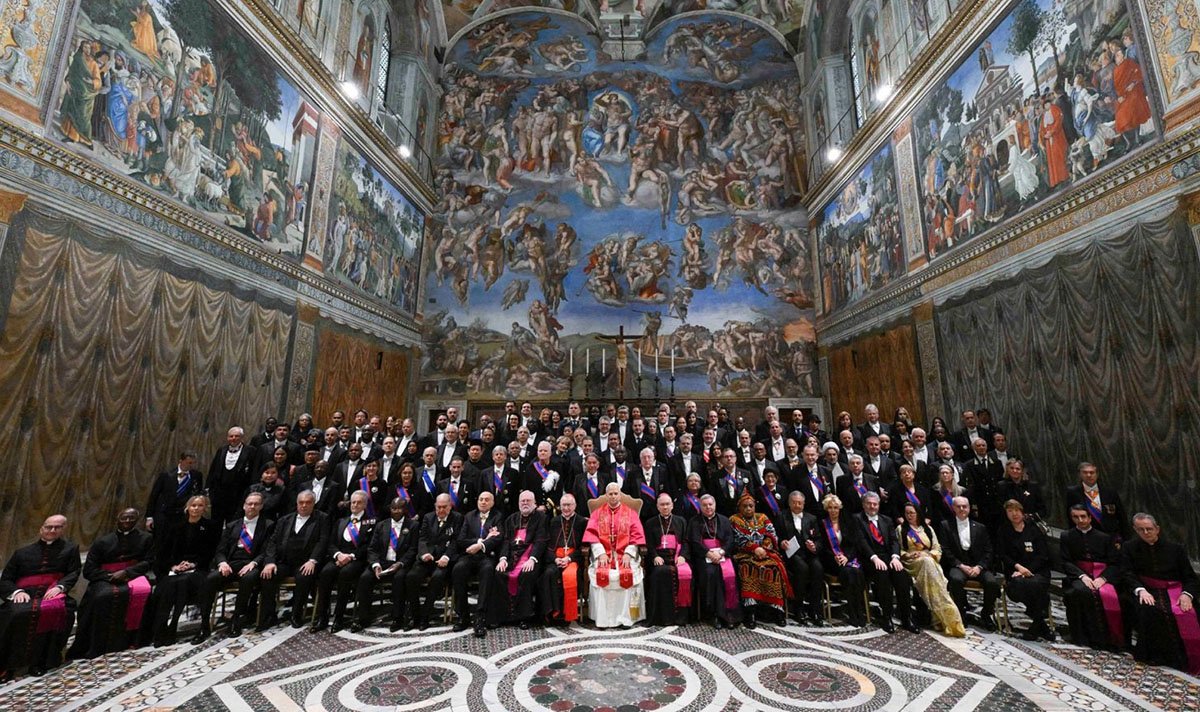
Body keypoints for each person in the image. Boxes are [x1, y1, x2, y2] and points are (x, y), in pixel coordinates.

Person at [67, 508, 154, 659]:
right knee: (101, 597)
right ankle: (97, 644)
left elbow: (149, 561)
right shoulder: (102, 542)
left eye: (131, 518)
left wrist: (127, 572)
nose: (127, 521)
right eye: (124, 518)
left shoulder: (146, 538)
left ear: (137, 520)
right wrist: (110, 576)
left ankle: (134, 640)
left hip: (134, 576)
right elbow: (89, 570)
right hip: (105, 578)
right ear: (117, 519)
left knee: (144, 592)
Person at [0, 515, 81, 676]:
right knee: (15, 613)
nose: (52, 530)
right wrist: (17, 592)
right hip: (25, 594)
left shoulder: (70, 550)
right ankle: (7, 664)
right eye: (49, 527)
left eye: (57, 527)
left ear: (63, 529)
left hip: (52, 593)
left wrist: (60, 586)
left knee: (58, 612)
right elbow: (6, 579)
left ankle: (40, 661)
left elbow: (73, 572)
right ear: (41, 529)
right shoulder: (22, 553)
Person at [1121, 513, 1199, 674]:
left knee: (1189, 611)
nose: (1145, 532)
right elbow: (1127, 573)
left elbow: (1190, 577)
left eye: (1149, 529)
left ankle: (1189, 658)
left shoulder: (1176, 549)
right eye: (1141, 529)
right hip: (1146, 590)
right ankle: (1158, 657)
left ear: (1157, 529)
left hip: (1175, 590)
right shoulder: (1129, 547)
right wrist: (1140, 590)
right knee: (1150, 610)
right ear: (1135, 530)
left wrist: (1187, 594)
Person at [194, 493, 273, 642]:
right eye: (249, 503)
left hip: (251, 563)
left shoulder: (268, 525)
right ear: (244, 506)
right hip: (231, 562)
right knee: (210, 579)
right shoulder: (232, 525)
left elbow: (267, 550)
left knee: (248, 578)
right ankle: (204, 625)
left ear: (261, 506)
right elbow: (220, 550)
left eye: (256, 504)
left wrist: (254, 563)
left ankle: (236, 619)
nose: (252, 506)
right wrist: (222, 562)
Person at [149, 495, 220, 646]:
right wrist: (173, 566)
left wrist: (193, 564)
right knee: (165, 586)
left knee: (183, 582)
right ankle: (161, 628)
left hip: (199, 568)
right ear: (187, 507)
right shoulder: (175, 527)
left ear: (204, 508)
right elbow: (164, 552)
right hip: (176, 568)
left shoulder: (210, 527)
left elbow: (211, 552)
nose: (196, 508)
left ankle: (175, 624)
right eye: (193, 505)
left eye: (200, 505)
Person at [260, 490, 330, 630]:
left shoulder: (322, 518)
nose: (304, 505)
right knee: (267, 576)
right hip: (284, 562)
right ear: (297, 503)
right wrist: (270, 562)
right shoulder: (284, 520)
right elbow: (272, 542)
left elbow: (322, 541)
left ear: (314, 503)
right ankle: (269, 615)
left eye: (308, 502)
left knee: (304, 577)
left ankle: (296, 614)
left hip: (306, 562)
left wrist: (313, 560)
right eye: (301, 502)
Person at [1060, 504, 1125, 650]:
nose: (1080, 520)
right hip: (1079, 575)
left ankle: (1109, 638)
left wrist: (1103, 578)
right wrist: (1082, 576)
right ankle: (1084, 637)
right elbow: (1065, 561)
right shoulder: (1067, 536)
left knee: (1112, 596)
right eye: (1076, 517)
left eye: (1083, 516)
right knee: (1080, 592)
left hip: (1102, 575)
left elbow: (1115, 563)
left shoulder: (1104, 538)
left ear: (1090, 518)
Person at [583, 483, 647, 628]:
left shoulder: (630, 513)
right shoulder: (597, 513)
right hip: (603, 554)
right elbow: (592, 536)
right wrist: (600, 553)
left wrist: (629, 553)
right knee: (602, 573)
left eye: (615, 493)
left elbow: (636, 535)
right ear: (606, 495)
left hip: (625, 554)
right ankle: (603, 619)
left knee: (628, 573)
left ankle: (627, 618)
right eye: (610, 494)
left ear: (620, 495)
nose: (613, 496)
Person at [897, 502, 965, 637]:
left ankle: (944, 618)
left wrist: (928, 554)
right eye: (907, 513)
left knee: (929, 566)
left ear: (918, 513)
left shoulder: (928, 529)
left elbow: (937, 548)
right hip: (911, 563)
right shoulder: (901, 529)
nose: (909, 516)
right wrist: (909, 555)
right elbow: (899, 549)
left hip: (929, 561)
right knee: (926, 563)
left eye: (912, 513)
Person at [357, 497, 419, 632]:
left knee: (399, 578)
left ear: (405, 509)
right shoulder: (381, 525)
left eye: (399, 508)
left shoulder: (413, 525)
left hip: (400, 563)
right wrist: (375, 564)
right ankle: (363, 618)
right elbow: (372, 549)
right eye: (393, 508)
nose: (396, 511)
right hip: (382, 562)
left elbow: (413, 550)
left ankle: (397, 618)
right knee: (365, 578)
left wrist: (400, 563)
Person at [314, 491, 373, 633]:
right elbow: (331, 543)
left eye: (359, 502)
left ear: (365, 504)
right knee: (325, 573)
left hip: (357, 559)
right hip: (339, 557)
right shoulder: (341, 521)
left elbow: (368, 546)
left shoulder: (371, 522)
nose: (355, 505)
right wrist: (338, 555)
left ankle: (339, 617)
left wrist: (350, 556)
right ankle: (322, 616)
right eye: (353, 502)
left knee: (345, 574)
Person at [730, 494, 791, 628]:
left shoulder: (763, 517)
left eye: (751, 506)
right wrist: (754, 548)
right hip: (745, 554)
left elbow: (771, 534)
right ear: (739, 507)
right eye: (745, 506)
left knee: (774, 569)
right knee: (747, 568)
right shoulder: (734, 520)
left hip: (765, 552)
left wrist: (765, 546)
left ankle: (776, 609)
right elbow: (736, 538)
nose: (748, 509)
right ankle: (750, 611)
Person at [940, 496, 1001, 631]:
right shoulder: (946, 525)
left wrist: (979, 567)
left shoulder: (980, 527)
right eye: (958, 506)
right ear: (953, 508)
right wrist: (960, 565)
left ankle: (986, 614)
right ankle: (961, 612)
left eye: (965, 506)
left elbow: (988, 550)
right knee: (956, 580)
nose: (962, 509)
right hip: (958, 565)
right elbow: (945, 549)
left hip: (978, 565)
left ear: (969, 508)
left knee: (992, 582)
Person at [854, 492, 911, 633]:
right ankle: (887, 617)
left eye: (875, 504)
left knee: (902, 576)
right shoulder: (857, 519)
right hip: (869, 558)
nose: (872, 506)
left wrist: (895, 557)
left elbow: (894, 541)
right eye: (869, 503)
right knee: (882, 575)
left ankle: (906, 617)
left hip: (888, 557)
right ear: (863, 505)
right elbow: (861, 542)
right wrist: (874, 557)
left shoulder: (887, 520)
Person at [997, 499, 1053, 641]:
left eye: (1017, 510)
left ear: (1022, 512)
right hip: (1015, 572)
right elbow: (1003, 555)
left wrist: (1028, 570)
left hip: (1037, 571)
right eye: (1010, 511)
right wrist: (1019, 568)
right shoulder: (1004, 531)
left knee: (1036, 583)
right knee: (1022, 585)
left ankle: (1036, 626)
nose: (1014, 514)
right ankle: (1041, 623)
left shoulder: (1034, 530)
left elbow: (1043, 555)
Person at [406, 493, 462, 630]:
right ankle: (415, 615)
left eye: (444, 507)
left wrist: (447, 556)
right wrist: (424, 553)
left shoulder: (457, 518)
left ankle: (425, 616)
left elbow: (456, 541)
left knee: (437, 578)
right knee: (411, 577)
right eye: (438, 507)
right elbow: (422, 538)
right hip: (427, 557)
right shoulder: (428, 517)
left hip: (444, 559)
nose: (441, 510)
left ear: (450, 506)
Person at [451, 491, 503, 636]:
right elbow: (461, 540)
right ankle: (463, 616)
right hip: (469, 555)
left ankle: (480, 616)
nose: (483, 502)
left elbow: (498, 538)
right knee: (458, 569)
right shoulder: (469, 516)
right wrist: (479, 541)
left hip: (487, 556)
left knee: (488, 570)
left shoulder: (497, 516)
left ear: (492, 503)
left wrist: (481, 546)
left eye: (487, 500)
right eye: (481, 499)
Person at [688, 493, 739, 628]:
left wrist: (721, 552)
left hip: (722, 554)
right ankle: (713, 614)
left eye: (710, 504)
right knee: (711, 573)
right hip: (703, 556)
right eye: (705, 505)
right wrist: (709, 554)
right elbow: (694, 542)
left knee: (730, 574)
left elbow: (730, 540)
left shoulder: (724, 520)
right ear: (700, 507)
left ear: (715, 505)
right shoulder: (694, 521)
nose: (708, 507)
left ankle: (729, 614)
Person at [776, 491, 825, 625]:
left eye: (799, 503)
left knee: (818, 568)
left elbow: (819, 539)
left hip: (808, 553)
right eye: (794, 502)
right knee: (802, 569)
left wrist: (814, 546)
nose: (797, 505)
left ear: (804, 504)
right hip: (792, 554)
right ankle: (798, 608)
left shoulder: (811, 518)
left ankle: (815, 609)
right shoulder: (781, 516)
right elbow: (776, 536)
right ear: (789, 503)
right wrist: (781, 542)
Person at [541, 493, 588, 626]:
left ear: (575, 506)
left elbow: (583, 547)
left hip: (574, 560)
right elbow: (547, 545)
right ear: (560, 506)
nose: (566, 508)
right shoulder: (554, 521)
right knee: (549, 573)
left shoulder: (582, 522)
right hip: (556, 559)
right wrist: (555, 559)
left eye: (569, 505)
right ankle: (552, 612)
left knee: (571, 575)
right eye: (563, 505)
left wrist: (569, 558)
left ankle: (566, 613)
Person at [644, 493, 692, 625]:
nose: (665, 507)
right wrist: (655, 556)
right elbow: (649, 544)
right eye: (662, 504)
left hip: (677, 557)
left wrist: (683, 556)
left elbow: (686, 541)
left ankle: (681, 617)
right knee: (660, 572)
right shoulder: (650, 523)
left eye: (667, 504)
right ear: (657, 506)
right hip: (660, 558)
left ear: (672, 505)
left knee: (685, 573)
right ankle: (662, 617)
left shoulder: (681, 521)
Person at [818, 494, 866, 627]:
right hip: (832, 562)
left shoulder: (848, 522)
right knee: (849, 573)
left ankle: (858, 610)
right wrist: (834, 557)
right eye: (830, 508)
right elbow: (823, 547)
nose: (833, 510)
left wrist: (846, 557)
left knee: (856, 572)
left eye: (836, 508)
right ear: (826, 509)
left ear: (840, 508)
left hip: (849, 558)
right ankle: (853, 612)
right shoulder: (822, 524)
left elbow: (855, 544)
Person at [1063, 462, 1128, 543]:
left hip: (1110, 537)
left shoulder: (1110, 492)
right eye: (1085, 472)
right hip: (1086, 537)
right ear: (1080, 474)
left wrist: (1124, 539)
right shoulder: (1073, 492)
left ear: (1097, 474)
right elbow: (1070, 517)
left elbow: (1121, 516)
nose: (1089, 475)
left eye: (1092, 472)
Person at [145, 452, 204, 537]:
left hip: (182, 517)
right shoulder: (166, 475)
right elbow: (154, 496)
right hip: (163, 515)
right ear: (181, 461)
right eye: (189, 463)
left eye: (193, 463)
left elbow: (197, 495)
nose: (191, 465)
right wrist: (149, 517)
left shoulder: (196, 476)